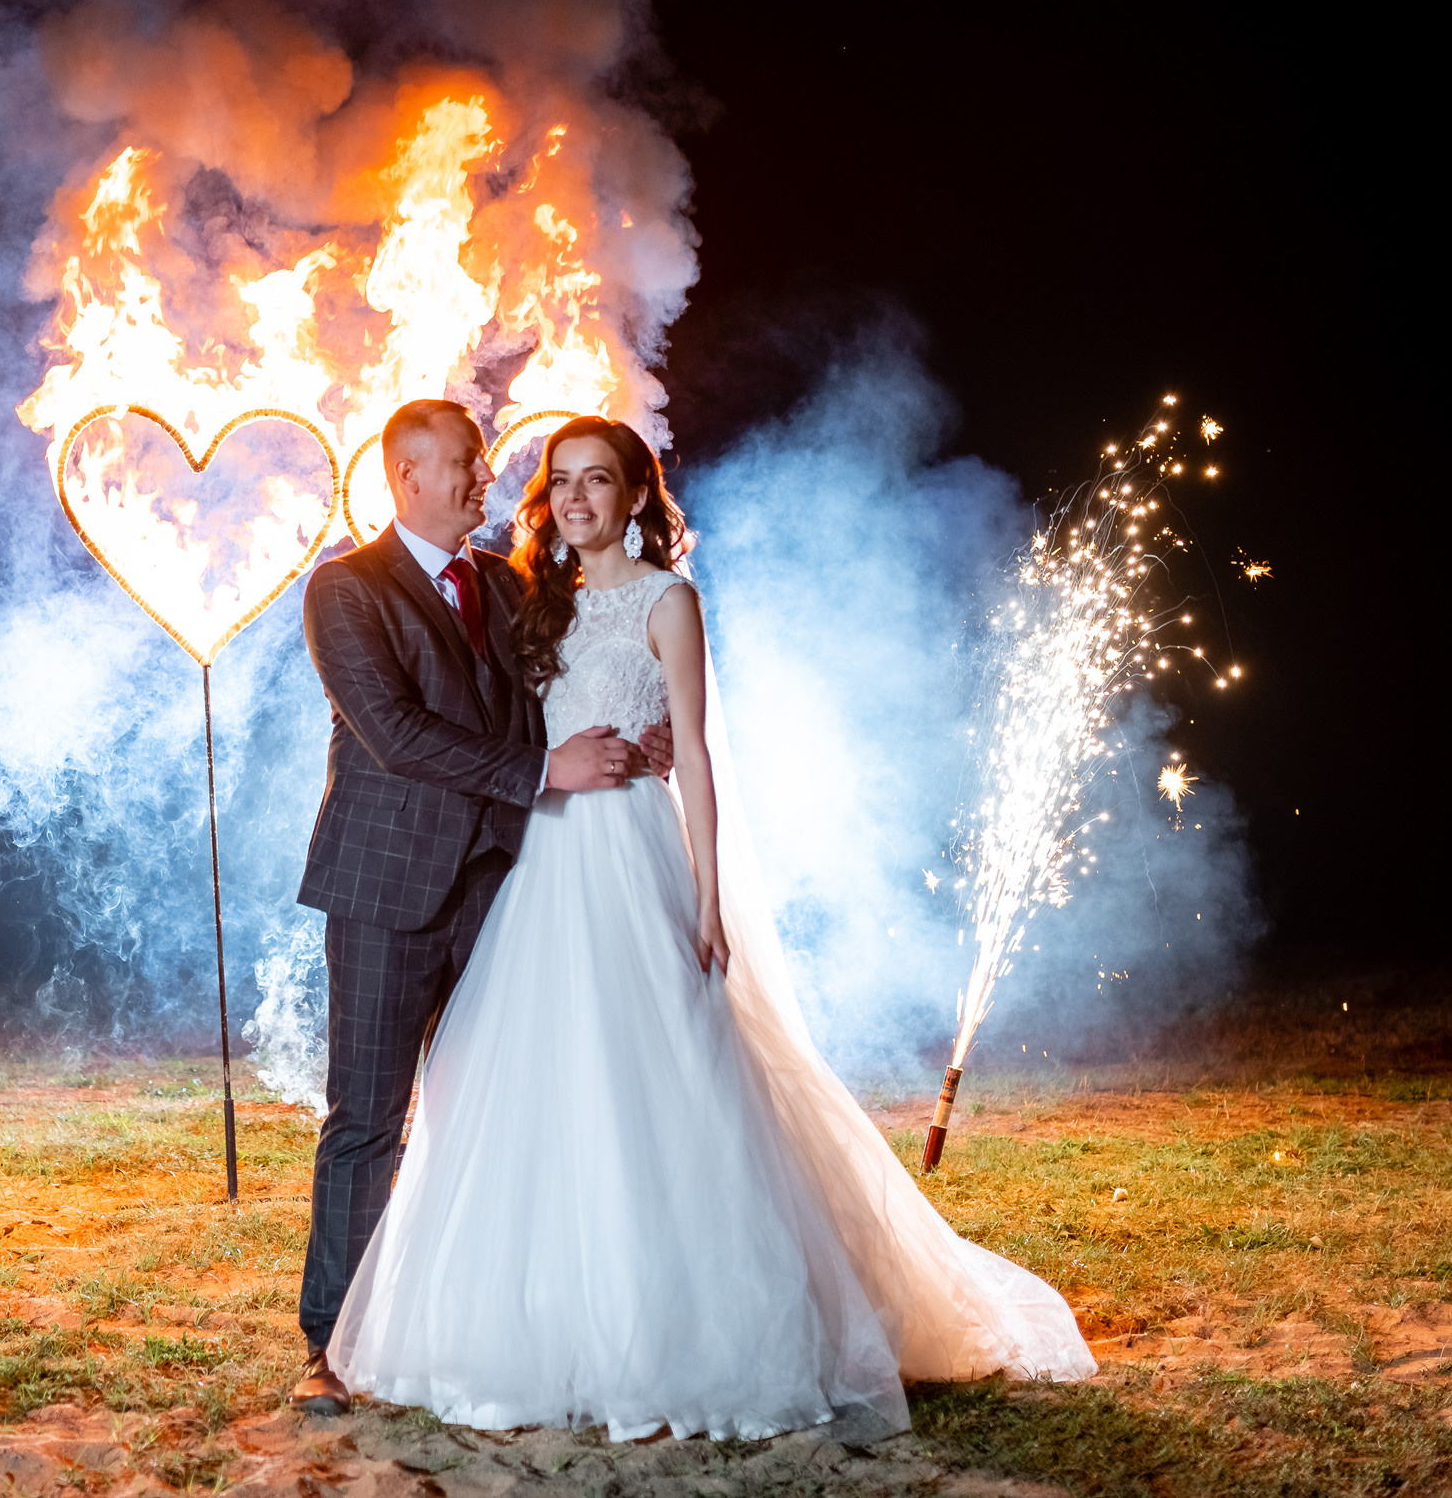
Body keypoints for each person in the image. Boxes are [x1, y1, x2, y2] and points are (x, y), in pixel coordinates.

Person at [324, 415, 1097, 1440]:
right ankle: (380, 1334)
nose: (558, 495)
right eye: (553, 480)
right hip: (495, 864)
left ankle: (653, 1324)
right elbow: (429, 726)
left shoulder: (605, 595)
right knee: (451, 1098)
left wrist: (702, 884)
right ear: (411, 475)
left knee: (639, 1077)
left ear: (637, 493)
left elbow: (683, 745)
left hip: (591, 859)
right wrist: (551, 765)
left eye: (593, 480)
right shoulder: (437, 589)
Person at [290, 399, 674, 1416]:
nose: (484, 482)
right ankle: (331, 1344)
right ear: (408, 475)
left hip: (502, 882)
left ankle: (462, 1325)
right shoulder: (345, 589)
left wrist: (641, 733)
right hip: (385, 890)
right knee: (367, 1121)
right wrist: (549, 767)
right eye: (464, 465)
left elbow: (556, 685)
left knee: (484, 1116)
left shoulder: (505, 586)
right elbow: (395, 731)